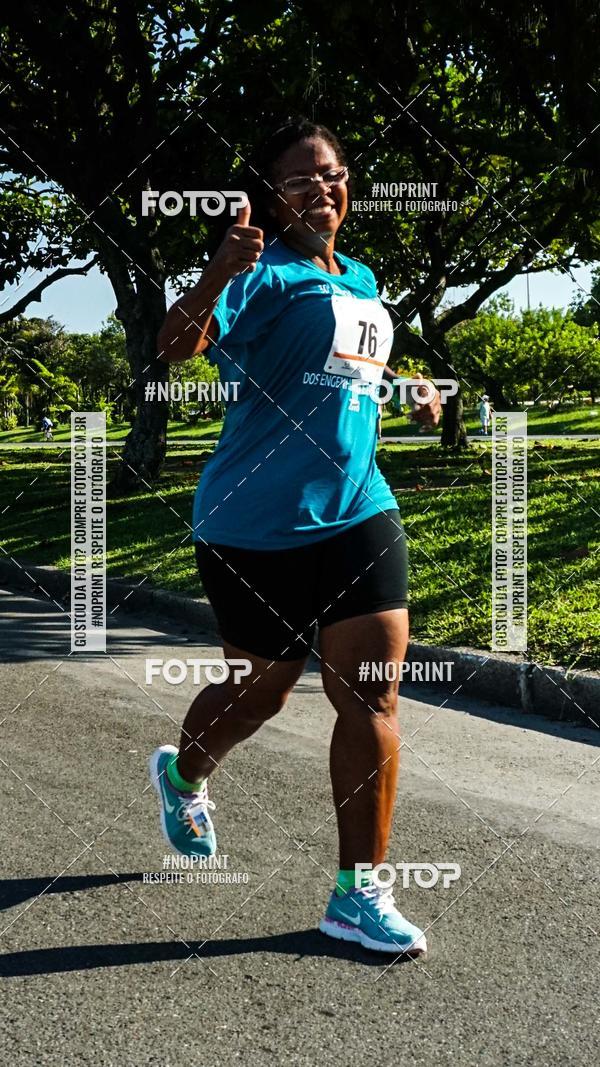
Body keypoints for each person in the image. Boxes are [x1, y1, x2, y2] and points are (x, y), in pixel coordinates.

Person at [150, 120, 441, 956]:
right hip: (254, 526)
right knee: (260, 696)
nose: (324, 187)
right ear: (273, 198)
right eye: (304, 177)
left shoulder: (361, 275)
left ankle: (357, 894)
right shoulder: (258, 272)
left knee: (373, 694)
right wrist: (214, 272)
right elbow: (175, 349)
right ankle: (181, 774)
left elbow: (358, 367)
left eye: (336, 174)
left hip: (358, 511)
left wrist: (414, 382)